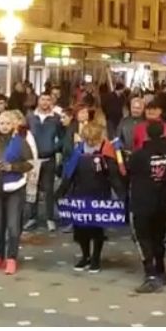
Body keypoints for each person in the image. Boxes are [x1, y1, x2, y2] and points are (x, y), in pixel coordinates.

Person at [57, 117, 126, 273]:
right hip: (79, 194)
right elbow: (69, 174)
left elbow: (114, 176)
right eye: (87, 139)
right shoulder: (78, 151)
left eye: (93, 139)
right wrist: (61, 192)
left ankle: (95, 258)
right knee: (80, 230)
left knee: (96, 230)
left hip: (99, 195)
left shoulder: (106, 150)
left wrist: (122, 195)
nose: (90, 142)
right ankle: (85, 256)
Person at [129, 119, 166, 293]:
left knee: (143, 237)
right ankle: (161, 270)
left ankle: (150, 274)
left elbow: (129, 173)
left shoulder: (139, 155)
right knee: (158, 237)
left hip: (142, 200)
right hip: (162, 200)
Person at [0, 110, 34, 275]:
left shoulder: (20, 142)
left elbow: (30, 164)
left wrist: (13, 167)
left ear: (14, 125)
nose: (4, 126)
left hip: (15, 190)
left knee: (13, 226)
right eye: (1, 123)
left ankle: (11, 258)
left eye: (8, 123)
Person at [25, 94, 63, 232]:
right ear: (38, 101)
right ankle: (32, 217)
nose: (45, 102)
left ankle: (49, 218)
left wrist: (54, 149)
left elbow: (62, 137)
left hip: (49, 158)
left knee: (48, 190)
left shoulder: (56, 119)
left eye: (48, 100)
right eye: (42, 99)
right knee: (32, 189)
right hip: (33, 159)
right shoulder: (30, 117)